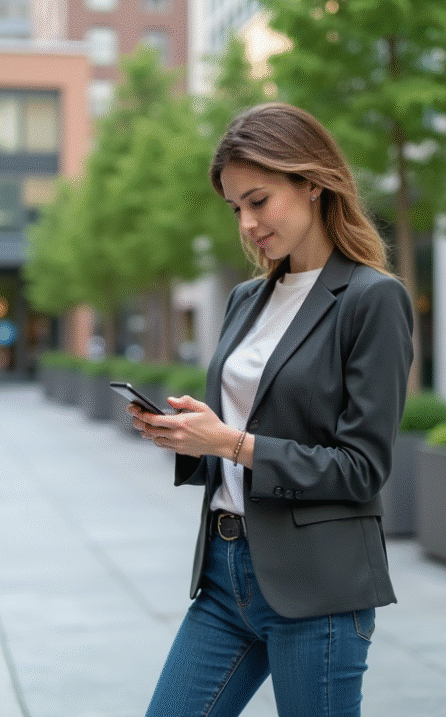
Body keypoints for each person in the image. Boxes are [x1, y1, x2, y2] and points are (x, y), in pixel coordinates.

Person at [129, 102, 414, 717]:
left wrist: (229, 443)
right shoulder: (246, 298)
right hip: (226, 573)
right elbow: (249, 434)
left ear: (311, 183)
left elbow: (362, 468)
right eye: (236, 208)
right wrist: (191, 439)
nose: (247, 223)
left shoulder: (372, 299)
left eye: (259, 201)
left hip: (318, 586)